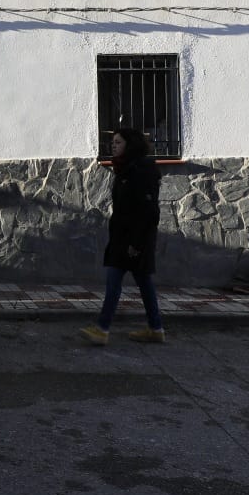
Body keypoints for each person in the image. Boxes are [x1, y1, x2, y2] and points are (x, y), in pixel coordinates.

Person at [81, 127, 165, 344]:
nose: (113, 146)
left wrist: (136, 243)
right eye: (113, 142)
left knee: (115, 282)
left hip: (133, 239)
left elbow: (148, 211)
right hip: (124, 237)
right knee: (143, 282)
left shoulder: (140, 171)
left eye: (118, 142)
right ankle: (155, 328)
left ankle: (102, 328)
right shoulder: (126, 169)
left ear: (130, 145)